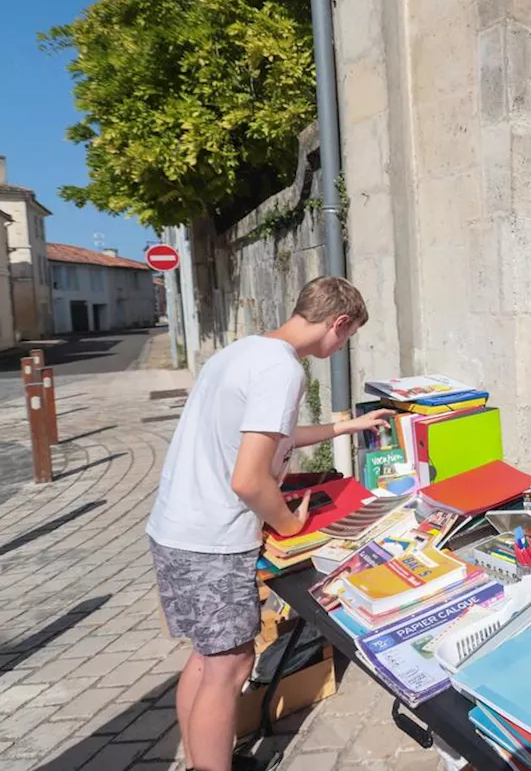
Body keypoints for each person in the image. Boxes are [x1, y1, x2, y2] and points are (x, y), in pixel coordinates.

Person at [145, 277, 391, 771]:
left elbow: (269, 433)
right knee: (230, 665)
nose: (341, 347)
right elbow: (249, 479)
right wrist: (288, 523)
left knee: (207, 657)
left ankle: (202, 760)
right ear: (338, 323)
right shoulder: (283, 371)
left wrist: (345, 426)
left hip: (176, 530)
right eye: (346, 337)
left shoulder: (242, 353)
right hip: (213, 540)